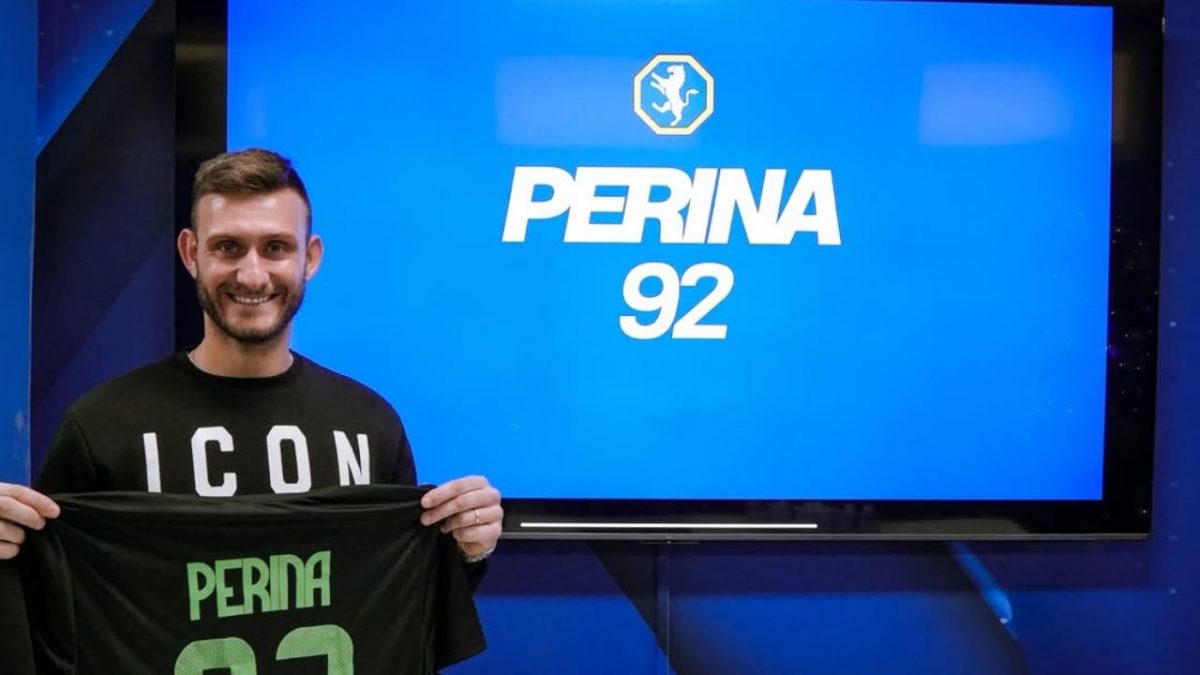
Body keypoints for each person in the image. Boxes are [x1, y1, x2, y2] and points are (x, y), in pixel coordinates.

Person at [0, 148, 502, 567]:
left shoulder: (370, 425)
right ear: (191, 253)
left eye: (276, 247)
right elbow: (46, 604)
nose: (253, 275)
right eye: (228, 247)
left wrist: (468, 550)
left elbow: (404, 600)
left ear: (310, 257)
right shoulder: (103, 427)